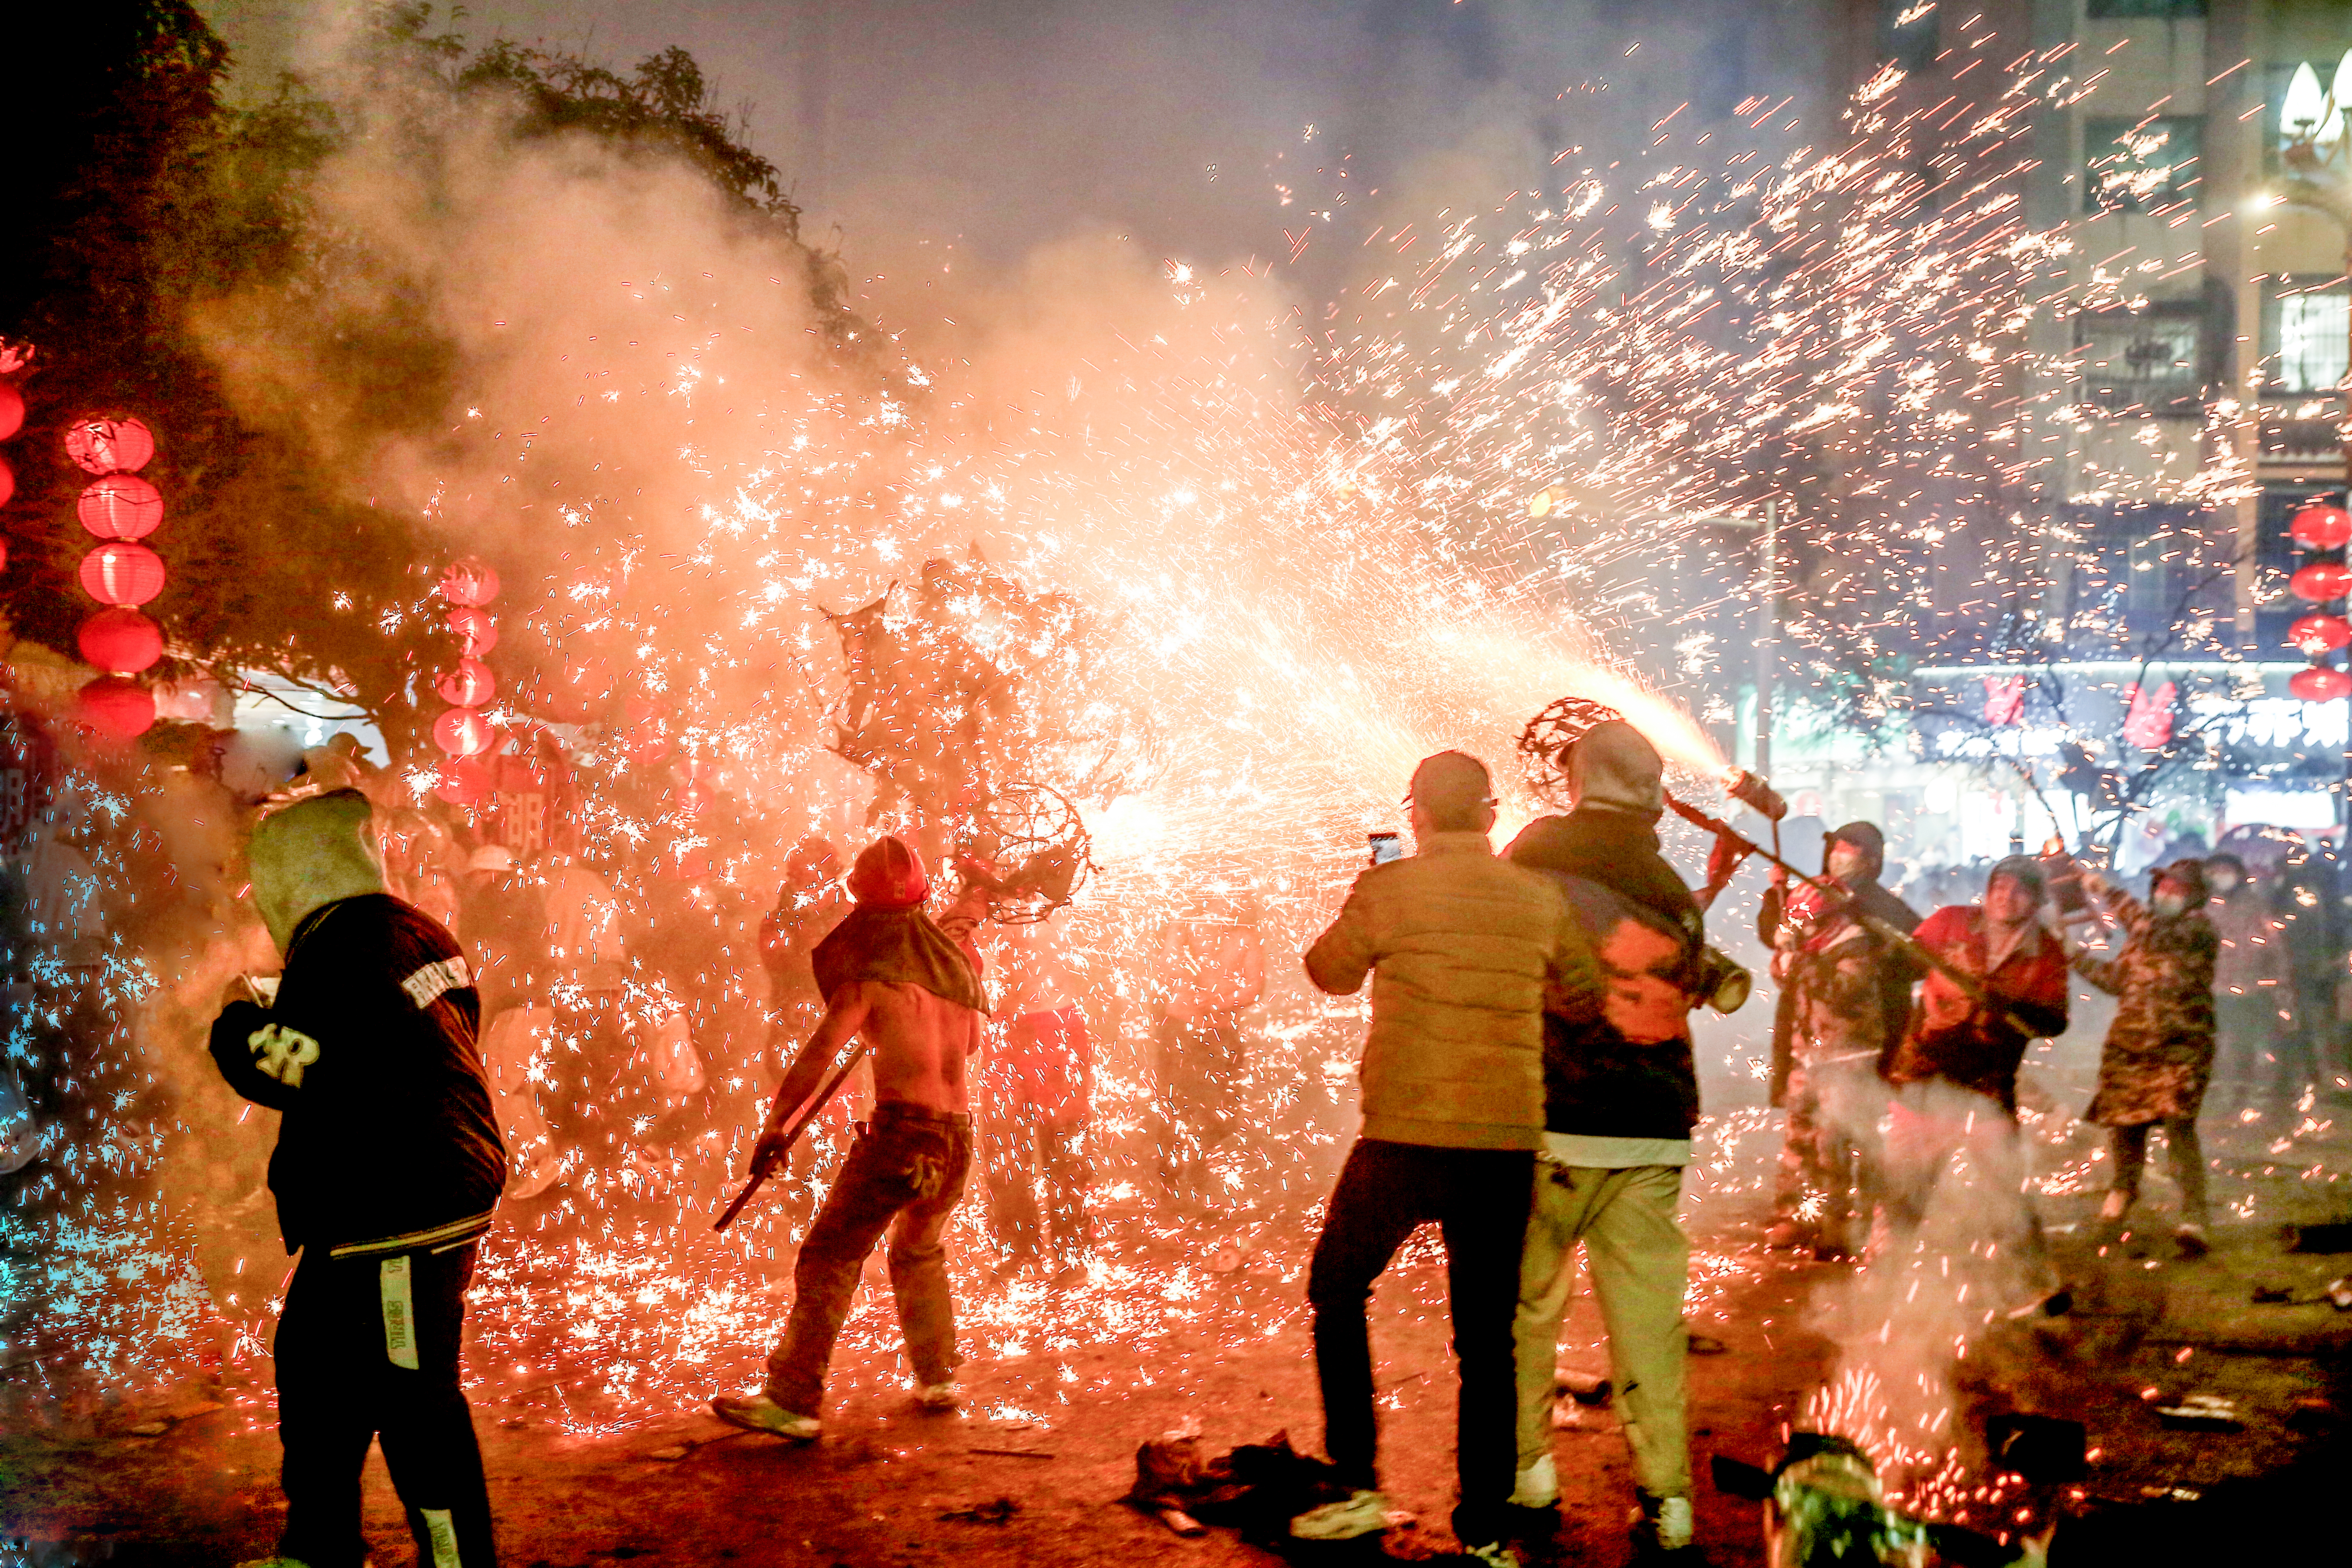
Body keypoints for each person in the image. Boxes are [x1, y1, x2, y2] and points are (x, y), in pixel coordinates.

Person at [1292, 751, 1598, 1565]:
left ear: (1417, 815)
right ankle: (1487, 1528)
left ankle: (1358, 1485)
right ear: (1491, 816)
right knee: (1487, 1340)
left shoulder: (1387, 888)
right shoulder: (1536, 897)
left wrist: (1377, 890)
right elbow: (1584, 994)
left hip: (1401, 1137)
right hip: (1501, 1145)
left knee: (1337, 1285)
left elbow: (1327, 973)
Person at [207, 788, 506, 1568]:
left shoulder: (340, 950)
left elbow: (293, 1068)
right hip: (407, 1185)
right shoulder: (414, 930)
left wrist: (237, 1028)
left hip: (399, 1202)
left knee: (414, 1403)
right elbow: (393, 1044)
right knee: (311, 1364)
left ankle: (459, 1565)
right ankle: (320, 1548)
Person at [1502, 720, 1710, 1556]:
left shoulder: (1534, 853)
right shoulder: (1668, 883)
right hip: (1656, 1130)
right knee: (1650, 1328)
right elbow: (1688, 984)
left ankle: (1529, 1481)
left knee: (1526, 1313)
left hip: (1553, 1120)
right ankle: (1669, 1504)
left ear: (1578, 778)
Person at [712, 835, 986, 1443]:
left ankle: (793, 1400)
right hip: (957, 1137)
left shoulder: (868, 979)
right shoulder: (959, 967)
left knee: (830, 1254)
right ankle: (939, 1377)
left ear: (860, 905)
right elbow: (966, 1047)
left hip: (903, 1134)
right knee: (918, 1249)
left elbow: (819, 1054)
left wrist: (775, 1124)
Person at [1881, 855, 2071, 1316]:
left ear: (2037, 901)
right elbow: (1897, 966)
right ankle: (1884, 1286)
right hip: (1925, 1076)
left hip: (1987, 1085)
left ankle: (2034, 1287)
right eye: (2001, 887)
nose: (2008, 897)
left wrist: (2010, 1006)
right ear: (1988, 891)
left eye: (2021, 891)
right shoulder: (1951, 923)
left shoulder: (2044, 952)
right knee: (1908, 1186)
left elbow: (2054, 1020)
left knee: (2005, 1185)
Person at [1761, 822, 1920, 1258]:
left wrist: (1799, 963)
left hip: (1849, 1056)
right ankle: (1792, 1215)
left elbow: (1842, 989)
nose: (1840, 856)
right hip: (1807, 1053)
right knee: (1799, 1139)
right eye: (1837, 848)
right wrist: (1786, 937)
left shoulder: (1858, 939)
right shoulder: (1813, 923)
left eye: (1851, 850)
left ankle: (1840, 1225)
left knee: (1838, 1142)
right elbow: (1781, 963)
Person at [2069, 860, 2218, 1257]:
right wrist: (2075, 956)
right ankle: (2122, 1193)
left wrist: (2108, 892)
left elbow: (2150, 928)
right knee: (2124, 1125)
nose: (2167, 894)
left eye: (2178, 888)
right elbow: (2116, 981)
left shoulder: (2197, 929)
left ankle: (2194, 1216)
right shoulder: (2142, 934)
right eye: (2163, 887)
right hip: (2129, 1045)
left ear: (2195, 896)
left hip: (2180, 1046)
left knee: (2178, 1127)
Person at [982, 907, 1096, 1279]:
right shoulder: (971, 901)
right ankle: (1020, 1250)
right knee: (1003, 1143)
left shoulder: (1054, 892)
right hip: (1001, 1031)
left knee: (1064, 1140)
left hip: (1053, 1023)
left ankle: (1073, 1250)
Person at [1151, 874, 1267, 1206]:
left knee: (1220, 1109)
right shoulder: (1185, 930)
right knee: (1175, 1104)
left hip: (1220, 1036)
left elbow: (1253, 987)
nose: (1224, 905)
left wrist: (1217, 1002)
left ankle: (1202, 1169)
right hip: (1179, 1033)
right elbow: (1167, 970)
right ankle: (1170, 1181)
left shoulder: (1245, 938)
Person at [2203, 852, 2291, 1116]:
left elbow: (2277, 946)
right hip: (2218, 989)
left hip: (2255, 989)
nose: (2222, 877)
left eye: (2226, 871)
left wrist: (2281, 982)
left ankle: (2260, 1100)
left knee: (2260, 1046)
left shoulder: (2256, 906)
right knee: (2224, 1048)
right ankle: (2226, 1099)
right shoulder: (2205, 907)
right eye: (2215, 872)